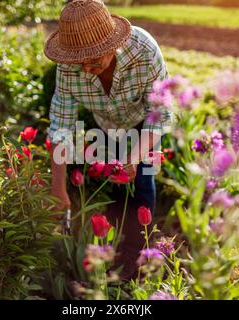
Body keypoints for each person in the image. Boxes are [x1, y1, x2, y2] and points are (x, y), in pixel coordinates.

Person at [43, 0, 171, 279]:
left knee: (142, 183)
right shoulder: (68, 68)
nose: (86, 69)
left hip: (144, 123)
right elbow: (61, 127)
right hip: (105, 124)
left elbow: (159, 115)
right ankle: (113, 252)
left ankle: (141, 259)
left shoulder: (145, 52)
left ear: (112, 45)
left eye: (94, 61)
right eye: (80, 62)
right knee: (111, 183)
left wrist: (134, 158)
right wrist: (58, 187)